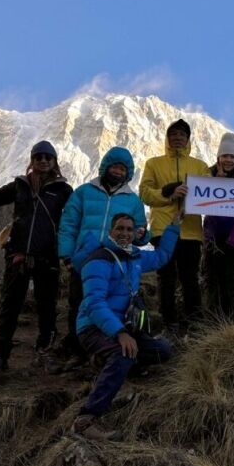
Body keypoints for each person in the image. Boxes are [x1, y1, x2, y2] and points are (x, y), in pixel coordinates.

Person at [0, 141, 73, 372]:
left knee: (47, 307)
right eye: (38, 157)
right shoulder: (20, 185)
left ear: (54, 162)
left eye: (48, 157)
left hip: (47, 256)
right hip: (18, 254)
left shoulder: (64, 190)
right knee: (10, 305)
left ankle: (44, 352)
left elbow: (73, 220)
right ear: (32, 161)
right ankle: (0, 354)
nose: (43, 161)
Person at [71, 212, 181, 440]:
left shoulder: (135, 256)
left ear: (135, 234)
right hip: (92, 327)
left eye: (130, 230)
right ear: (111, 231)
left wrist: (173, 227)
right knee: (124, 357)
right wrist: (119, 333)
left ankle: (104, 361)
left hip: (122, 325)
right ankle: (85, 420)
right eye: (120, 229)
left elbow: (161, 257)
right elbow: (94, 303)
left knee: (163, 351)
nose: (125, 233)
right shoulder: (99, 259)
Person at [56, 147, 150, 365]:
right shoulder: (83, 192)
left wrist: (144, 236)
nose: (117, 171)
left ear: (128, 173)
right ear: (105, 167)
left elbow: (139, 232)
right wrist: (66, 255)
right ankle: (79, 350)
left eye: (122, 168)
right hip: (84, 259)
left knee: (110, 305)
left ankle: (105, 350)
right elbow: (69, 223)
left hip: (116, 263)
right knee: (79, 302)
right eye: (114, 166)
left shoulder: (133, 201)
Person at [139, 119, 209, 335]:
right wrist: (167, 193)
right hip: (162, 229)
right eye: (173, 134)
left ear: (188, 139)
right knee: (166, 278)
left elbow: (208, 194)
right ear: (167, 138)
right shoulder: (153, 163)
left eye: (182, 134)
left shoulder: (200, 166)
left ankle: (194, 321)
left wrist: (193, 204)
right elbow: (144, 193)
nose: (178, 137)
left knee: (190, 278)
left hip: (190, 230)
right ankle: (169, 321)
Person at [201, 132, 234, 317]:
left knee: (231, 280)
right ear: (218, 158)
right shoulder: (208, 176)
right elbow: (204, 205)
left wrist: (233, 239)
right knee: (211, 279)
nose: (228, 160)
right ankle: (213, 319)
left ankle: (233, 319)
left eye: (232, 156)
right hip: (212, 239)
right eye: (225, 156)